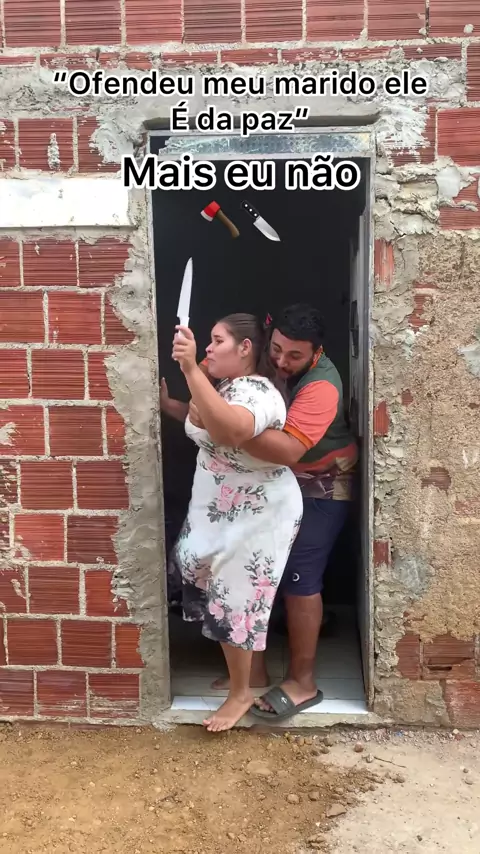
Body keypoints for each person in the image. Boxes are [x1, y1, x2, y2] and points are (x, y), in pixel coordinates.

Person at [187, 304, 358, 721]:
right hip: (274, 485)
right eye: (277, 350)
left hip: (322, 484)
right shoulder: (261, 370)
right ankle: (255, 671)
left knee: (300, 577)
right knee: (256, 575)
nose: (282, 361)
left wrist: (225, 426)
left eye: (294, 356)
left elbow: (287, 451)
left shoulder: (322, 386)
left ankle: (303, 682)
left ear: (316, 352)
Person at [167, 313, 303, 732]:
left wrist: (191, 369)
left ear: (245, 349)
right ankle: (252, 674)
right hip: (222, 510)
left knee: (237, 597)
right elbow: (205, 423)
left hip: (259, 512)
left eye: (216, 340)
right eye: (207, 341)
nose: (208, 348)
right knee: (201, 570)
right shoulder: (224, 387)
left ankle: (242, 692)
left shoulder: (256, 391)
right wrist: (175, 396)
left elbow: (230, 431)